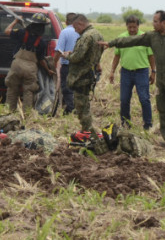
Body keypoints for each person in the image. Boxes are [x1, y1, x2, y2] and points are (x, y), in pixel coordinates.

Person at [100, 10, 165, 145]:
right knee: (163, 107)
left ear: (163, 22)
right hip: (162, 78)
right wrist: (112, 43)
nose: (152, 24)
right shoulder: (151, 36)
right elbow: (131, 40)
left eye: (155, 21)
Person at [108, 15, 155, 129]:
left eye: (134, 27)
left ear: (138, 26)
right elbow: (117, 56)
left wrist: (153, 71)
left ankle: (148, 125)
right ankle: (125, 123)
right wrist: (112, 71)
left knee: (144, 99)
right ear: (126, 26)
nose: (132, 30)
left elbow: (151, 56)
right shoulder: (121, 38)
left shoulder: (144, 37)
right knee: (124, 99)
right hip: (126, 73)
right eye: (130, 27)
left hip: (142, 72)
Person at [63, 14, 104, 143]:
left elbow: (77, 57)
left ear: (80, 24)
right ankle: (88, 132)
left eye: (75, 28)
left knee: (82, 107)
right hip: (89, 74)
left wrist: (67, 55)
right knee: (84, 105)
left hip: (81, 76)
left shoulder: (86, 37)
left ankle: (88, 133)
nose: (75, 30)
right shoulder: (97, 34)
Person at [3, 13, 54, 113]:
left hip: (16, 65)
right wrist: (48, 70)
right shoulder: (41, 42)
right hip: (30, 68)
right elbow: (41, 60)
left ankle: (8, 113)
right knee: (29, 91)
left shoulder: (22, 33)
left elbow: (7, 31)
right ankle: (26, 115)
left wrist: (15, 21)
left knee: (12, 89)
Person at [53, 13, 79, 115]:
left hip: (68, 65)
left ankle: (70, 108)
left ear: (67, 22)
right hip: (80, 66)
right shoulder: (82, 32)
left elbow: (59, 50)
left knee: (67, 88)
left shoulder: (65, 32)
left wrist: (54, 62)